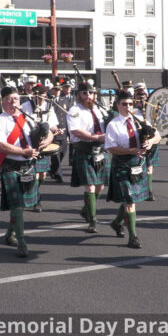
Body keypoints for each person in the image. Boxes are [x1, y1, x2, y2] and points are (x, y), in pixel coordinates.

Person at [0, 85, 52, 258]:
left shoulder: (29, 118)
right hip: (10, 166)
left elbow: (50, 135)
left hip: (28, 167)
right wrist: (24, 152)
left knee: (20, 206)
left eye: (16, 99)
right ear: (2, 102)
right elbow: (1, 145)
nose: (13, 102)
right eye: (9, 99)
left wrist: (46, 139)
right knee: (17, 206)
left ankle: (9, 234)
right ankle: (22, 243)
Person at [105, 90, 161, 249]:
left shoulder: (140, 120)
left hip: (138, 164)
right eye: (124, 104)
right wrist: (130, 151)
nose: (128, 106)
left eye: (130, 103)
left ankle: (117, 222)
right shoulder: (113, 125)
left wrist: (151, 142)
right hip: (122, 165)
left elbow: (158, 136)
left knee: (130, 199)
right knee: (130, 200)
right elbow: (111, 148)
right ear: (118, 105)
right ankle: (133, 237)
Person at [67, 80, 110, 233]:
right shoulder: (74, 110)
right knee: (90, 186)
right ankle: (92, 220)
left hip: (101, 150)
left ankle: (86, 208)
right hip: (84, 149)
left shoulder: (100, 109)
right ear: (79, 94)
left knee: (100, 186)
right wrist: (96, 137)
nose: (88, 95)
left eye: (91, 92)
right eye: (84, 93)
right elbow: (76, 131)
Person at [21, 82, 59, 212]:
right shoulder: (25, 106)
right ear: (34, 94)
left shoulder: (49, 106)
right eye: (39, 95)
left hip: (44, 144)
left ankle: (34, 192)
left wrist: (56, 130)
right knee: (35, 174)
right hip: (30, 142)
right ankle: (37, 200)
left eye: (43, 94)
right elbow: (21, 123)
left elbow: (52, 125)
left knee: (42, 175)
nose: (41, 97)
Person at [133, 82, 159, 201]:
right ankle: (139, 188)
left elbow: (160, 129)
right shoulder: (132, 111)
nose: (141, 98)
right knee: (139, 167)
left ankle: (149, 191)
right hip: (139, 141)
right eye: (138, 95)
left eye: (143, 95)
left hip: (153, 141)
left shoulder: (154, 109)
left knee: (149, 167)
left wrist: (153, 139)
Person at [47, 80, 69, 183]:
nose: (58, 91)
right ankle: (58, 174)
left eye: (59, 90)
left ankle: (52, 169)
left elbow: (66, 117)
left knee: (63, 152)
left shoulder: (64, 100)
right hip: (54, 132)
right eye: (55, 90)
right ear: (51, 90)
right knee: (55, 155)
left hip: (63, 131)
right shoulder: (48, 101)